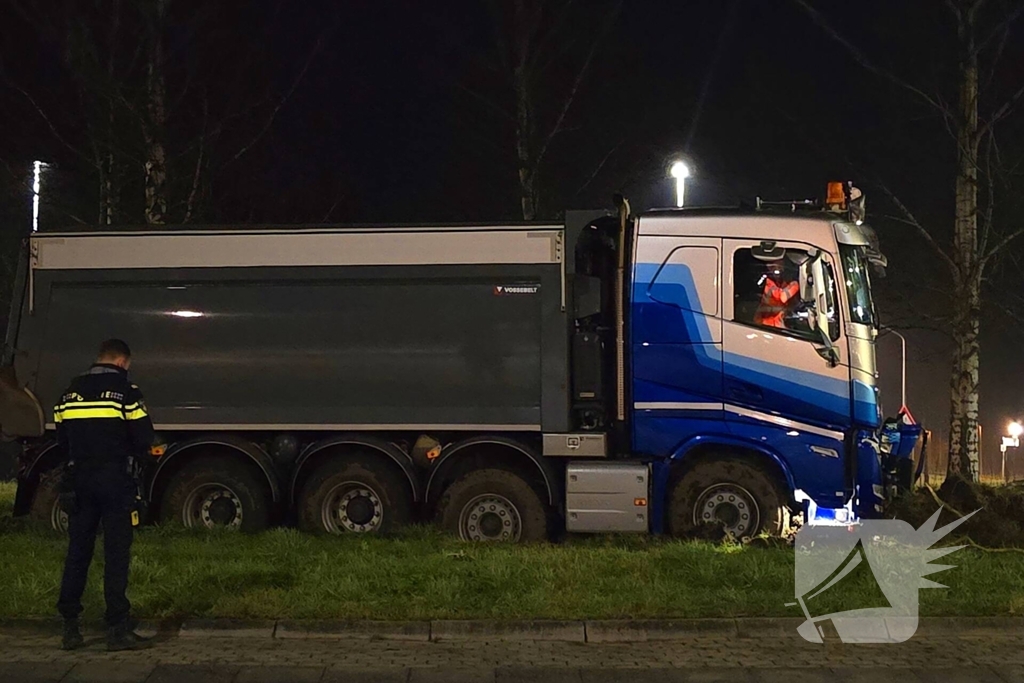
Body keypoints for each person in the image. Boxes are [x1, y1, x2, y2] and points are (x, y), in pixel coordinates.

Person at [55, 339, 155, 651]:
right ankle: (117, 628)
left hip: (80, 481)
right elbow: (144, 438)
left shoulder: (69, 393)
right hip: (114, 481)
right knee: (116, 554)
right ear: (122, 361)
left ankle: (70, 628)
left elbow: (61, 440)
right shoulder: (126, 392)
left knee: (78, 552)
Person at [754, 259, 801, 329]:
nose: (778, 267)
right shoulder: (767, 283)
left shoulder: (781, 282)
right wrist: (796, 283)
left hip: (777, 324)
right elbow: (783, 297)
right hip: (769, 327)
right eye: (772, 265)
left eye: (781, 263)